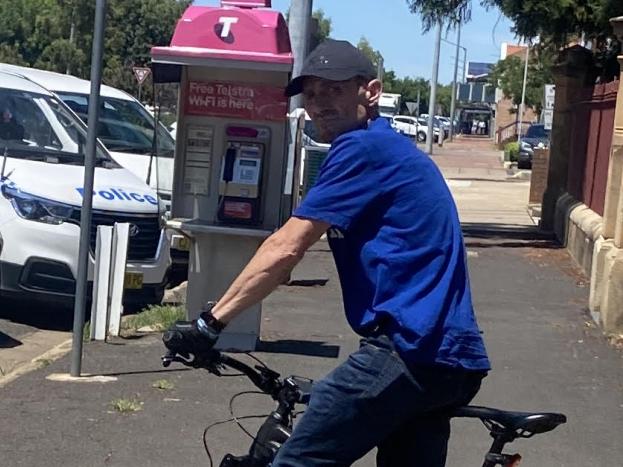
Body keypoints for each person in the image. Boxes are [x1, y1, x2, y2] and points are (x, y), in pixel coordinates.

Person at [163, 39, 490, 466]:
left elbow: (286, 247)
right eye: (311, 94)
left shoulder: (361, 147)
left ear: (370, 92)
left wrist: (210, 323)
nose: (318, 104)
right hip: (449, 359)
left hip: (407, 349)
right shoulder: (387, 146)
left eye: (333, 90)